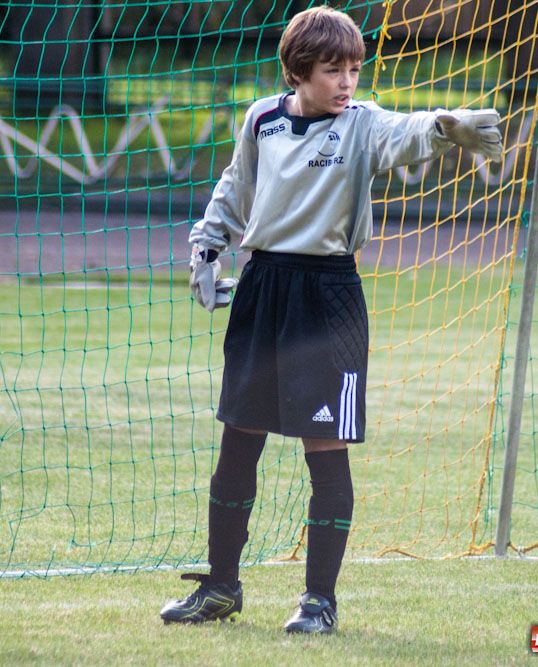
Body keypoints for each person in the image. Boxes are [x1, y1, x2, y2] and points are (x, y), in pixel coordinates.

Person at [159, 6, 502, 634]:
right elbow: (236, 187)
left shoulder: (363, 125)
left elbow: (408, 128)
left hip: (328, 296)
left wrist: (446, 126)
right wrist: (206, 249)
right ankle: (220, 587)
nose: (347, 82)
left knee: (326, 451)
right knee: (239, 444)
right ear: (297, 72)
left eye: (353, 69)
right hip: (264, 288)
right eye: (333, 70)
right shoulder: (261, 118)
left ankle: (319, 601)